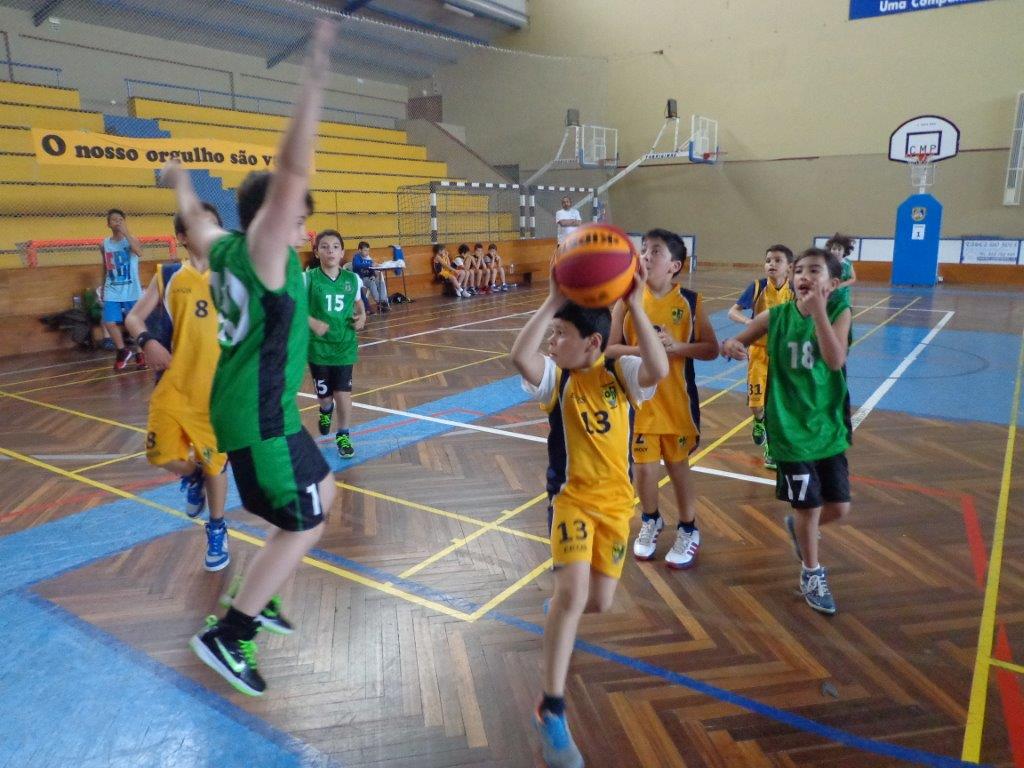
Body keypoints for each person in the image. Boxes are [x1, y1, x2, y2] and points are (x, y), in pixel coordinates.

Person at [160, 18, 338, 697]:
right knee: (304, 522)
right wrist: (315, 69)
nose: (303, 228)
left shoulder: (222, 247)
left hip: (259, 409)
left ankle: (257, 593)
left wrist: (178, 178)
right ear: (270, 221)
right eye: (297, 219)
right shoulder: (264, 252)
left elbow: (194, 217)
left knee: (324, 490)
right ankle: (230, 634)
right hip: (256, 414)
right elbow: (292, 169)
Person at [512, 264, 668, 767]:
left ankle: (562, 608)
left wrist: (637, 306)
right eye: (553, 336)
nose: (552, 343)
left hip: (617, 506)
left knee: (596, 601)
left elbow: (659, 369)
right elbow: (520, 355)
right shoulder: (556, 379)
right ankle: (552, 709)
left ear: (594, 344)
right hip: (571, 500)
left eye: (562, 336)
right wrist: (553, 304)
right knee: (574, 595)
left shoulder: (619, 375)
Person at [721, 247, 853, 616]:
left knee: (838, 507)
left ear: (833, 283)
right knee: (809, 507)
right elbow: (739, 339)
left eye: (814, 270)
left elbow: (834, 359)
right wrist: (732, 345)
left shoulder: (840, 312)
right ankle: (811, 572)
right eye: (799, 270)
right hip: (789, 428)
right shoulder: (775, 315)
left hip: (827, 425)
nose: (804, 276)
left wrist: (819, 315)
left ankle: (800, 529)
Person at [124, 202, 230, 572]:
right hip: (172, 387)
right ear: (182, 238)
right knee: (160, 455)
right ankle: (191, 475)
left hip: (215, 393)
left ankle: (217, 528)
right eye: (199, 227)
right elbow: (134, 315)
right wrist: (146, 340)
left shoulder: (232, 274)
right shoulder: (167, 276)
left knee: (216, 464)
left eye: (215, 226)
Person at [607, 229, 718, 568]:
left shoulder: (689, 301)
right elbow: (609, 349)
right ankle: (651, 519)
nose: (646, 257)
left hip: (678, 404)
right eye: (644, 250)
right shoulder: (625, 301)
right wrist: (645, 349)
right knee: (643, 469)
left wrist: (678, 347)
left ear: (674, 265)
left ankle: (689, 527)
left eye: (655, 251)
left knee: (678, 466)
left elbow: (711, 349)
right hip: (640, 404)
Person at [727, 245, 795, 469]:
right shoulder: (757, 287)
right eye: (768, 260)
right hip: (758, 351)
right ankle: (758, 421)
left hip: (783, 354)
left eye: (777, 260)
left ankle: (772, 450)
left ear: (789, 267)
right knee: (757, 405)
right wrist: (750, 323)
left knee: (775, 404)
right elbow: (732, 311)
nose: (771, 264)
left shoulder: (794, 290)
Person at [307, 229, 366, 459]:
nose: (330, 250)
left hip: (344, 345)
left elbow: (360, 306)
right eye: (324, 246)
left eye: (335, 247)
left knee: (343, 393)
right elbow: (295, 307)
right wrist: (312, 322)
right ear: (316, 252)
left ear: (342, 253)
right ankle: (325, 410)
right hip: (318, 348)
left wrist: (362, 317)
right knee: (325, 396)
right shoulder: (309, 278)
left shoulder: (352, 279)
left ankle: (343, 434)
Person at [100, 208, 145, 371]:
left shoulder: (131, 240)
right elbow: (105, 266)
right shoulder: (104, 244)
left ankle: (140, 354)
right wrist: (103, 287)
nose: (117, 222)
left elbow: (139, 252)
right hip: (112, 288)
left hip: (131, 289)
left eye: (120, 219)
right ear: (108, 224)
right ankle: (122, 350)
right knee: (109, 322)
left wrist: (127, 234)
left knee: (133, 322)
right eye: (114, 220)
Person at [351, 240, 389, 314]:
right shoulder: (357, 257)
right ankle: (379, 302)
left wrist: (373, 275)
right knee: (371, 283)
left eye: (368, 251)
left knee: (379, 281)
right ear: (359, 250)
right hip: (361, 278)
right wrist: (369, 264)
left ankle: (384, 301)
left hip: (368, 277)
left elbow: (371, 270)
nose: (367, 252)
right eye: (365, 250)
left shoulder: (369, 258)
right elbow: (357, 265)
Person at [825, 233, 856, 307]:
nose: (836, 251)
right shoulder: (826, 262)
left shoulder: (848, 263)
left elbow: (853, 278)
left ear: (844, 251)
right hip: (828, 295)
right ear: (830, 249)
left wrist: (841, 285)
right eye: (834, 249)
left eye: (839, 249)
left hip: (843, 296)